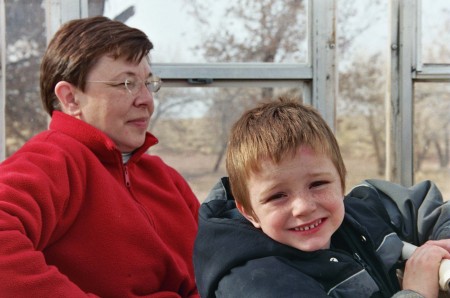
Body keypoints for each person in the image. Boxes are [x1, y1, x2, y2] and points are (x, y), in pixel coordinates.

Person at [0, 16, 200, 297]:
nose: (146, 100)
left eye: (149, 84)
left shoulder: (167, 179)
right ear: (70, 98)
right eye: (126, 84)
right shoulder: (52, 160)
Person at [193, 97, 450, 298]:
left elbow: (426, 208)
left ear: (341, 182)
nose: (304, 207)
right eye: (277, 196)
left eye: (318, 184)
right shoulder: (255, 282)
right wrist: (417, 291)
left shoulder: (358, 212)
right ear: (249, 212)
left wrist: (444, 246)